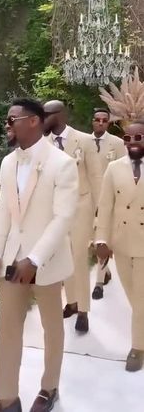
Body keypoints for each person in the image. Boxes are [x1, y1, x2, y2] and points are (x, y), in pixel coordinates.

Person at [0, 98, 78, 412]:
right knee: (8, 328)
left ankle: (49, 388)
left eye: (12, 119)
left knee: (52, 328)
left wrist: (34, 259)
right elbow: (3, 212)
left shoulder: (61, 163)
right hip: (12, 261)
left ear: (34, 121)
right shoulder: (8, 163)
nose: (7, 125)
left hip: (47, 263)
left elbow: (63, 217)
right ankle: (8, 398)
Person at [96, 120, 144, 372]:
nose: (133, 143)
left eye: (138, 137)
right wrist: (101, 239)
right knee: (133, 297)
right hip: (122, 242)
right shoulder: (114, 168)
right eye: (128, 138)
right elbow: (105, 207)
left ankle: (137, 347)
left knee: (141, 298)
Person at [43, 100, 93, 333]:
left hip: (82, 207)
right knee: (64, 258)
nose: (42, 119)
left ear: (59, 115)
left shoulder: (83, 140)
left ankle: (83, 310)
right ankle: (71, 302)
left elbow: (97, 177)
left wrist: (99, 213)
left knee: (80, 259)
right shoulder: (44, 144)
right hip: (58, 211)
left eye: (47, 114)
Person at [85, 108, 126, 300]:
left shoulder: (117, 144)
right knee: (92, 241)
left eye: (104, 120)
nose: (100, 123)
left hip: (110, 200)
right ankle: (106, 271)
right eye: (97, 120)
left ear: (108, 123)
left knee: (103, 239)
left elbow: (123, 170)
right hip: (88, 199)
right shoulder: (83, 142)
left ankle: (99, 283)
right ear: (92, 122)